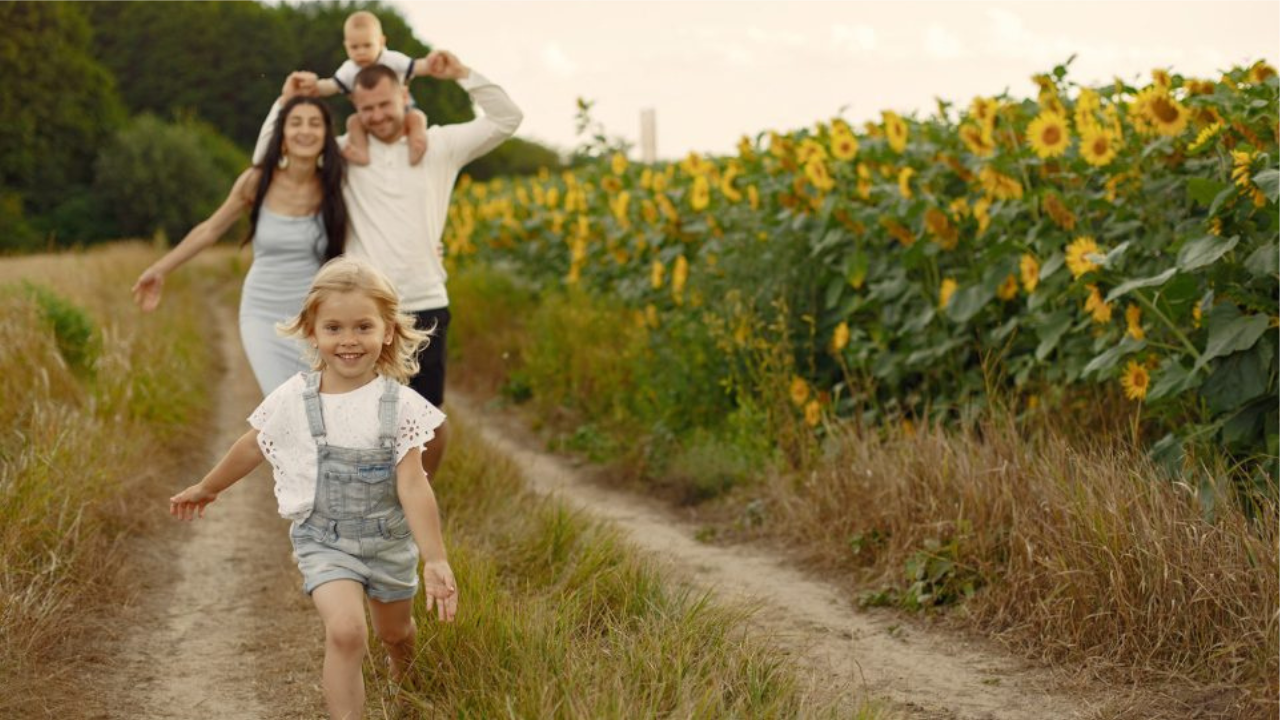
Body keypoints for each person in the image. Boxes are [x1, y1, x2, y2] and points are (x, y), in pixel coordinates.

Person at [168, 257, 457, 719]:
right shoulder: (295, 397)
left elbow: (413, 484)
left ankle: (407, 681)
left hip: (389, 542)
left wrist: (435, 556)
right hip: (325, 539)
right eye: (334, 328)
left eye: (363, 326)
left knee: (396, 634)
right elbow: (253, 445)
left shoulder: (401, 405)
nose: (348, 340)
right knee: (346, 632)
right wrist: (208, 487)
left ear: (387, 331)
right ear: (312, 332)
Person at [254, 48, 522, 481]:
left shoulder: (439, 145)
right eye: (367, 109)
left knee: (427, 423)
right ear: (355, 112)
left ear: (404, 96)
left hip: (425, 301)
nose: (378, 116)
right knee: (355, 423)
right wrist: (283, 103)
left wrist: (462, 74)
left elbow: (507, 119)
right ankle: (347, 514)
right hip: (363, 314)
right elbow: (272, 157)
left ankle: (409, 507)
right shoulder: (343, 154)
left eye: (385, 104)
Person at [132, 95, 347, 396]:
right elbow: (210, 229)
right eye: (295, 123)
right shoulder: (256, 181)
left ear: (326, 135)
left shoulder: (339, 185)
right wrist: (159, 269)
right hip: (263, 312)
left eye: (315, 123)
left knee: (320, 405)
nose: (305, 131)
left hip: (318, 318)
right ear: (282, 134)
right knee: (283, 402)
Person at [319, 10, 430, 167]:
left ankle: (416, 145)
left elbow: (416, 66)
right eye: (354, 47)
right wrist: (315, 87)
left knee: (416, 118)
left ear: (381, 42)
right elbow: (332, 85)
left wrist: (431, 64)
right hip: (367, 116)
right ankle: (362, 151)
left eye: (367, 45)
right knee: (353, 122)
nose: (361, 52)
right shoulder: (349, 68)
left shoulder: (391, 58)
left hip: (403, 108)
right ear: (346, 47)